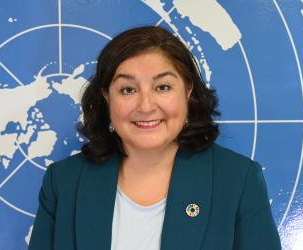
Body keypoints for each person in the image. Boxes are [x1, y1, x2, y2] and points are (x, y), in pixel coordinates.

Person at [29, 26, 281, 250]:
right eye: (128, 90)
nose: (146, 106)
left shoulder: (238, 180)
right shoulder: (63, 182)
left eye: (163, 87)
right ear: (107, 97)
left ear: (188, 91)